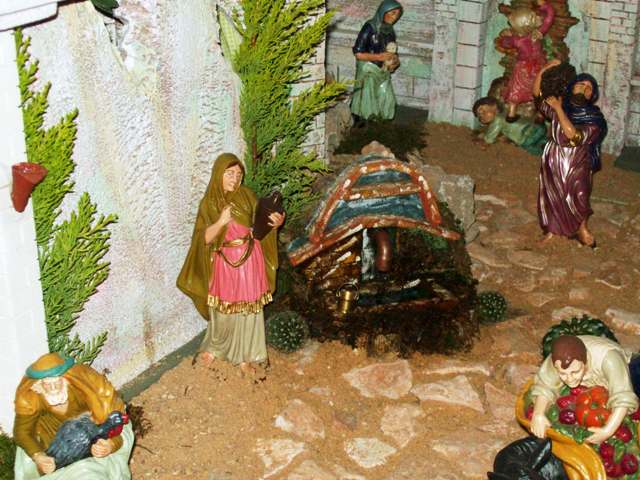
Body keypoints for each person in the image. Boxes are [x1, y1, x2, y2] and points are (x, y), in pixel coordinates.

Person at [176, 153, 284, 377]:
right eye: (230, 173)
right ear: (219, 174)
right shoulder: (209, 203)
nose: (235, 179)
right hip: (224, 261)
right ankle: (215, 347)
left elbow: (260, 226)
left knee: (249, 310)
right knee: (222, 310)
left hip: (250, 259)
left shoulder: (247, 196)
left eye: (239, 174)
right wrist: (221, 222)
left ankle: (245, 356)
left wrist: (275, 223)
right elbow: (202, 239)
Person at [13, 353, 134, 479]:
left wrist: (110, 444)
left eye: (57, 382)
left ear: (66, 380)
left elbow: (111, 424)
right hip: (54, 451)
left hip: (92, 444)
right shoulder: (32, 400)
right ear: (39, 386)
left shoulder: (83, 392)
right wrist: (39, 456)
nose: (53, 388)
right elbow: (22, 432)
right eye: (47, 384)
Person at [533, 59, 607, 247]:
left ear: (592, 95)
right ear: (572, 87)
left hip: (578, 159)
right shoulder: (561, 105)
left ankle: (582, 228)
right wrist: (544, 69)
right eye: (581, 85)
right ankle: (552, 230)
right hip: (554, 156)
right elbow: (537, 96)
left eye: (589, 88)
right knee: (553, 194)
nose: (584, 89)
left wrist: (558, 109)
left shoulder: (594, 118)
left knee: (580, 195)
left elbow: (574, 137)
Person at [530, 335, 640, 445]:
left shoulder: (609, 359)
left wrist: (607, 430)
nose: (569, 379)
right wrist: (538, 413)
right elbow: (545, 384)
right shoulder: (558, 358)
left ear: (585, 361)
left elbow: (623, 396)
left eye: (575, 372)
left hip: (628, 368)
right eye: (563, 374)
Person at [497, 0, 555, 122]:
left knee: (517, 88)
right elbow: (549, 18)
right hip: (538, 66)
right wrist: (545, 6)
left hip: (523, 67)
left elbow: (504, 43)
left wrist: (504, 35)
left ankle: (511, 113)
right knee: (539, 89)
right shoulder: (537, 35)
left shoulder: (516, 40)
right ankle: (540, 114)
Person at [350, 0, 403, 125]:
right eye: (393, 13)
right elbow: (358, 53)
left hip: (382, 70)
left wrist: (394, 61)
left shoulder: (389, 30)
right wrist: (379, 57)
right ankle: (363, 121)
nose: (395, 17)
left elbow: (391, 50)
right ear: (383, 12)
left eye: (397, 14)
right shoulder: (369, 27)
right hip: (368, 68)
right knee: (367, 98)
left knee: (386, 96)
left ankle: (382, 122)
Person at [472, 96, 547, 155]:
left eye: (484, 112)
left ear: (494, 106)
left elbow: (491, 135)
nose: (482, 116)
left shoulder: (498, 119)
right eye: (479, 116)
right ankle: (545, 143)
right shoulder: (505, 114)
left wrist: (485, 142)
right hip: (537, 127)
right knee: (540, 139)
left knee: (528, 147)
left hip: (527, 134)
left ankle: (543, 151)